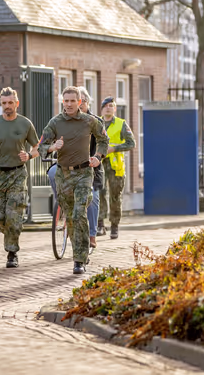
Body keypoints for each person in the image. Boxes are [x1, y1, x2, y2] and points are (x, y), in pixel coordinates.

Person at [39, 86, 108, 274]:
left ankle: (79, 260)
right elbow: (41, 146)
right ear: (63, 102)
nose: (69, 104)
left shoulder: (89, 121)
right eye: (66, 100)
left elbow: (103, 139)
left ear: (80, 102)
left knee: (79, 214)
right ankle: (79, 250)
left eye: (72, 101)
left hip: (84, 173)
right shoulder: (55, 122)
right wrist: (53, 147)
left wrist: (98, 156)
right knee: (70, 217)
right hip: (63, 175)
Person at [0, 87, 40, 268]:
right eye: (4, 103)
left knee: (14, 215)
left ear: (17, 103)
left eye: (10, 103)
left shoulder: (25, 124)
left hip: (17, 173)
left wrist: (29, 155)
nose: (7, 106)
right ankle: (8, 234)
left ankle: (12, 252)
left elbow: (38, 147)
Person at [98, 96, 136, 239]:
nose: (108, 108)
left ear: (115, 109)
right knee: (99, 194)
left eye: (111, 106)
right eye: (106, 105)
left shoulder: (121, 124)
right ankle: (100, 224)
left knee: (115, 196)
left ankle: (114, 226)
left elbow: (131, 143)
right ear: (102, 108)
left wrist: (114, 148)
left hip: (115, 166)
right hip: (99, 164)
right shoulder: (97, 123)